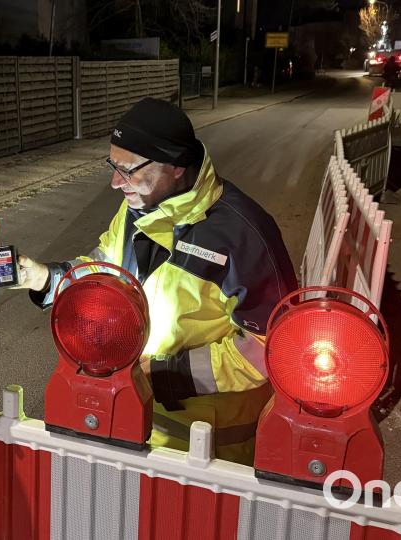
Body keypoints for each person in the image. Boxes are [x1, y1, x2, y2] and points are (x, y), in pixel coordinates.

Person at [15, 98, 298, 465]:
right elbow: (105, 273)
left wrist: (162, 373)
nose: (115, 183)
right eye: (113, 166)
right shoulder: (138, 208)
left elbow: (268, 349)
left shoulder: (244, 235)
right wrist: (45, 279)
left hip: (212, 450)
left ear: (176, 167)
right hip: (132, 420)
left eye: (127, 170)